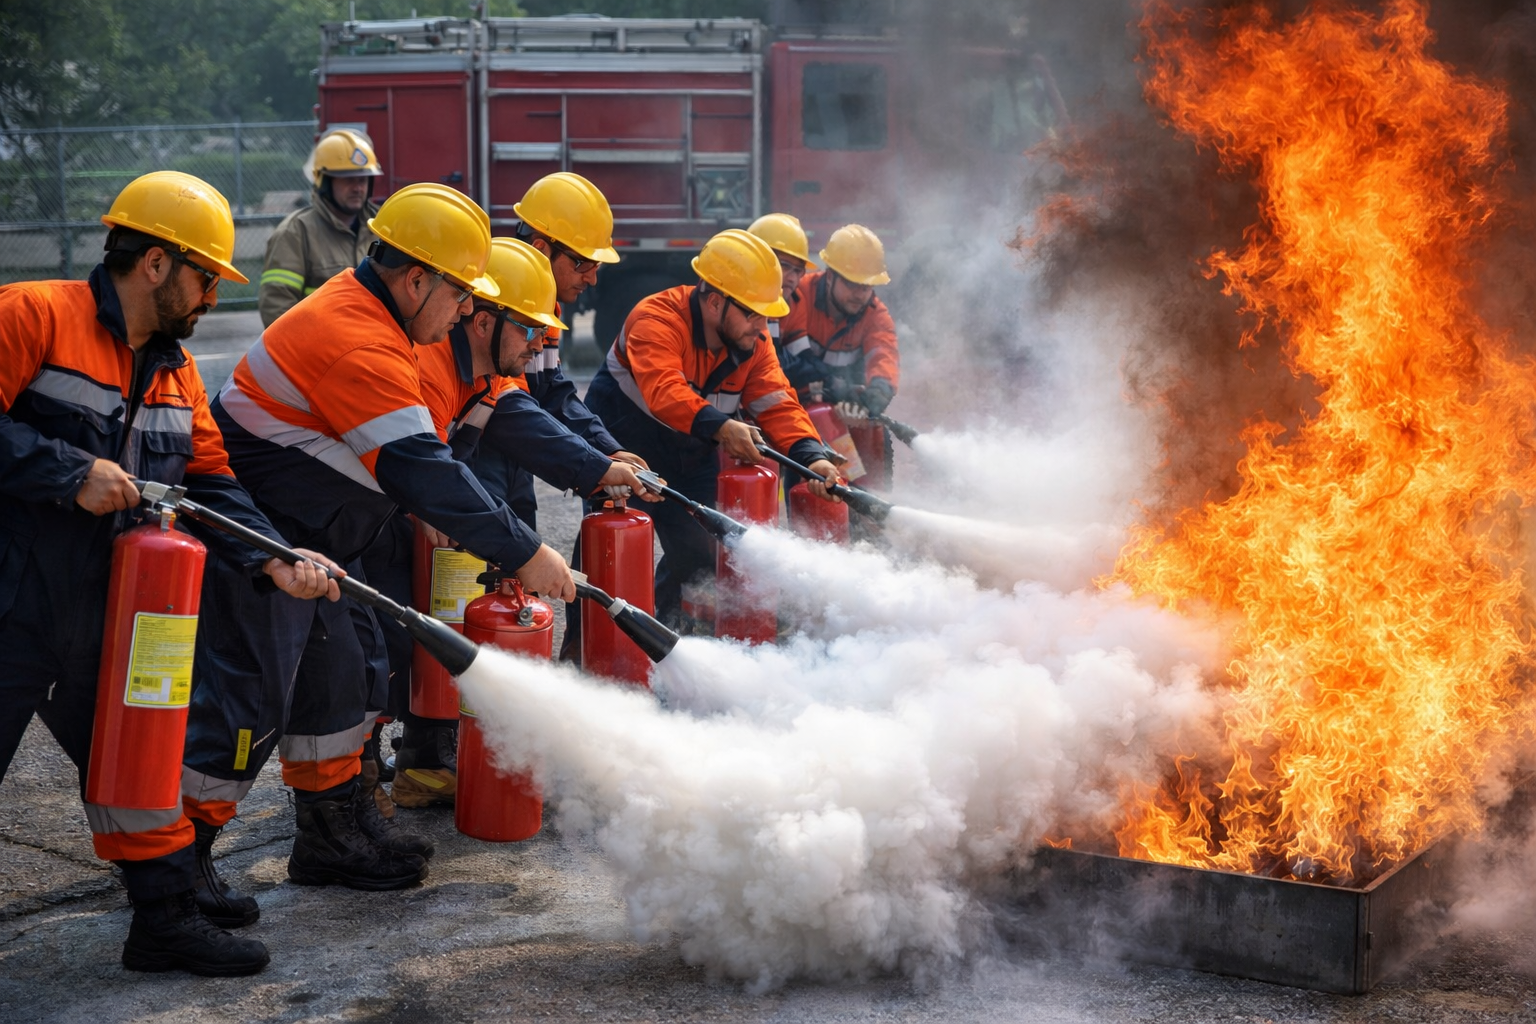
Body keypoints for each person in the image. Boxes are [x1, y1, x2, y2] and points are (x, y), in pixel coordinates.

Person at [181, 183, 576, 911]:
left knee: (355, 669)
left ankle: (337, 828)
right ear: (416, 278)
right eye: (460, 293)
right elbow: (424, 469)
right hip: (264, 537)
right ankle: (176, 872)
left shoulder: (383, 323)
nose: (465, 311)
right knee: (250, 702)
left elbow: (417, 467)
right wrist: (528, 552)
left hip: (317, 536)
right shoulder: (359, 338)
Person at [0, 170, 340, 976]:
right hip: (10, 605)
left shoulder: (176, 370)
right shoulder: (32, 315)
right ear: (155, 263)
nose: (210, 299)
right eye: (203, 277)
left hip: (103, 611)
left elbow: (212, 482)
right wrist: (64, 469)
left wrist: (275, 556)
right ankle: (168, 900)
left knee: (138, 765)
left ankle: (164, 914)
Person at [387, 237, 658, 809]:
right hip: (359, 514)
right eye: (529, 332)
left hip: (410, 498)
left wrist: (600, 466)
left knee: (443, 615)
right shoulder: (432, 367)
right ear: (483, 321)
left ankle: (431, 756)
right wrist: (526, 550)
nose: (539, 346)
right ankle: (388, 772)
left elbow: (531, 419)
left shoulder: (490, 368)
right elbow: (427, 472)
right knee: (386, 641)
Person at [584, 229, 843, 625]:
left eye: (765, 315)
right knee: (606, 554)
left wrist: (813, 455)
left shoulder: (752, 341)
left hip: (692, 450)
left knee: (704, 554)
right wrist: (723, 428)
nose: (760, 327)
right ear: (715, 301)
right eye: (752, 313)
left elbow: (777, 402)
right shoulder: (655, 318)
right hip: (622, 447)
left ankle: (671, 635)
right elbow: (665, 393)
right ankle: (582, 651)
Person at [257, 128, 382, 327]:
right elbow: (277, 308)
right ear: (323, 181)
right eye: (348, 179)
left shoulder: (384, 229)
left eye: (362, 179)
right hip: (322, 353)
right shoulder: (295, 233)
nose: (358, 187)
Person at [777, 223, 899, 422]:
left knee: (877, 434)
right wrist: (831, 387)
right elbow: (774, 357)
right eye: (852, 284)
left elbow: (884, 356)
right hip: (791, 399)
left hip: (847, 405)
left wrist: (879, 391)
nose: (860, 295)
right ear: (830, 276)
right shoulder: (799, 296)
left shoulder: (876, 316)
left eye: (867, 287)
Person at [747, 212, 811, 351]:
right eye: (785, 265)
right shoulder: (738, 300)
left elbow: (799, 354)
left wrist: (823, 373)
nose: (792, 278)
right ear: (757, 259)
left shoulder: (795, 300)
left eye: (798, 270)